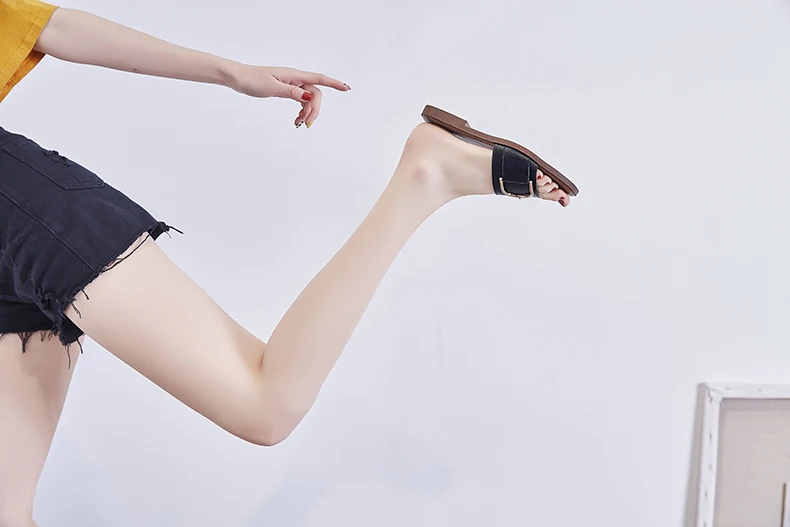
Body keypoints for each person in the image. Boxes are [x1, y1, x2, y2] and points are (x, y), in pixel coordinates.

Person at [0, 1, 576, 525]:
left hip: (17, 206)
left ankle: (426, 176)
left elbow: (40, 23)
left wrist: (231, 72)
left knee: (264, 406)